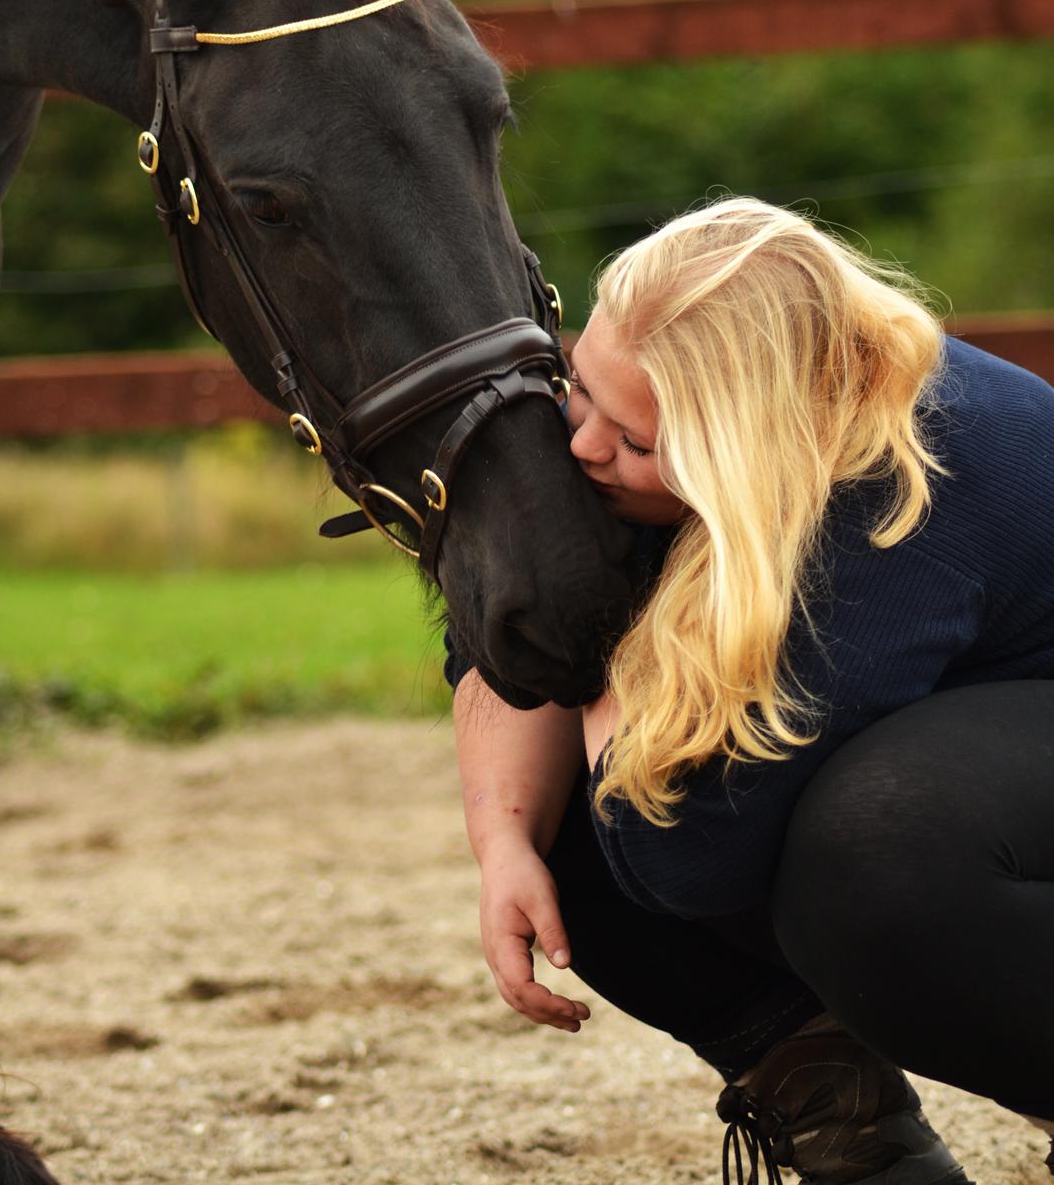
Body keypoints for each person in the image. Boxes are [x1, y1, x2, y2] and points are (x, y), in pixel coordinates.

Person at [446, 198, 1054, 1185]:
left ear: (746, 450)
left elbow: (684, 857)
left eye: (634, 439)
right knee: (570, 823)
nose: (582, 448)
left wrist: (601, 639)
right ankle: (846, 1125)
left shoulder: (893, 492)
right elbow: (505, 648)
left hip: (1020, 758)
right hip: (982, 746)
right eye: (580, 391)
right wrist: (502, 838)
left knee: (877, 849)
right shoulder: (652, 443)